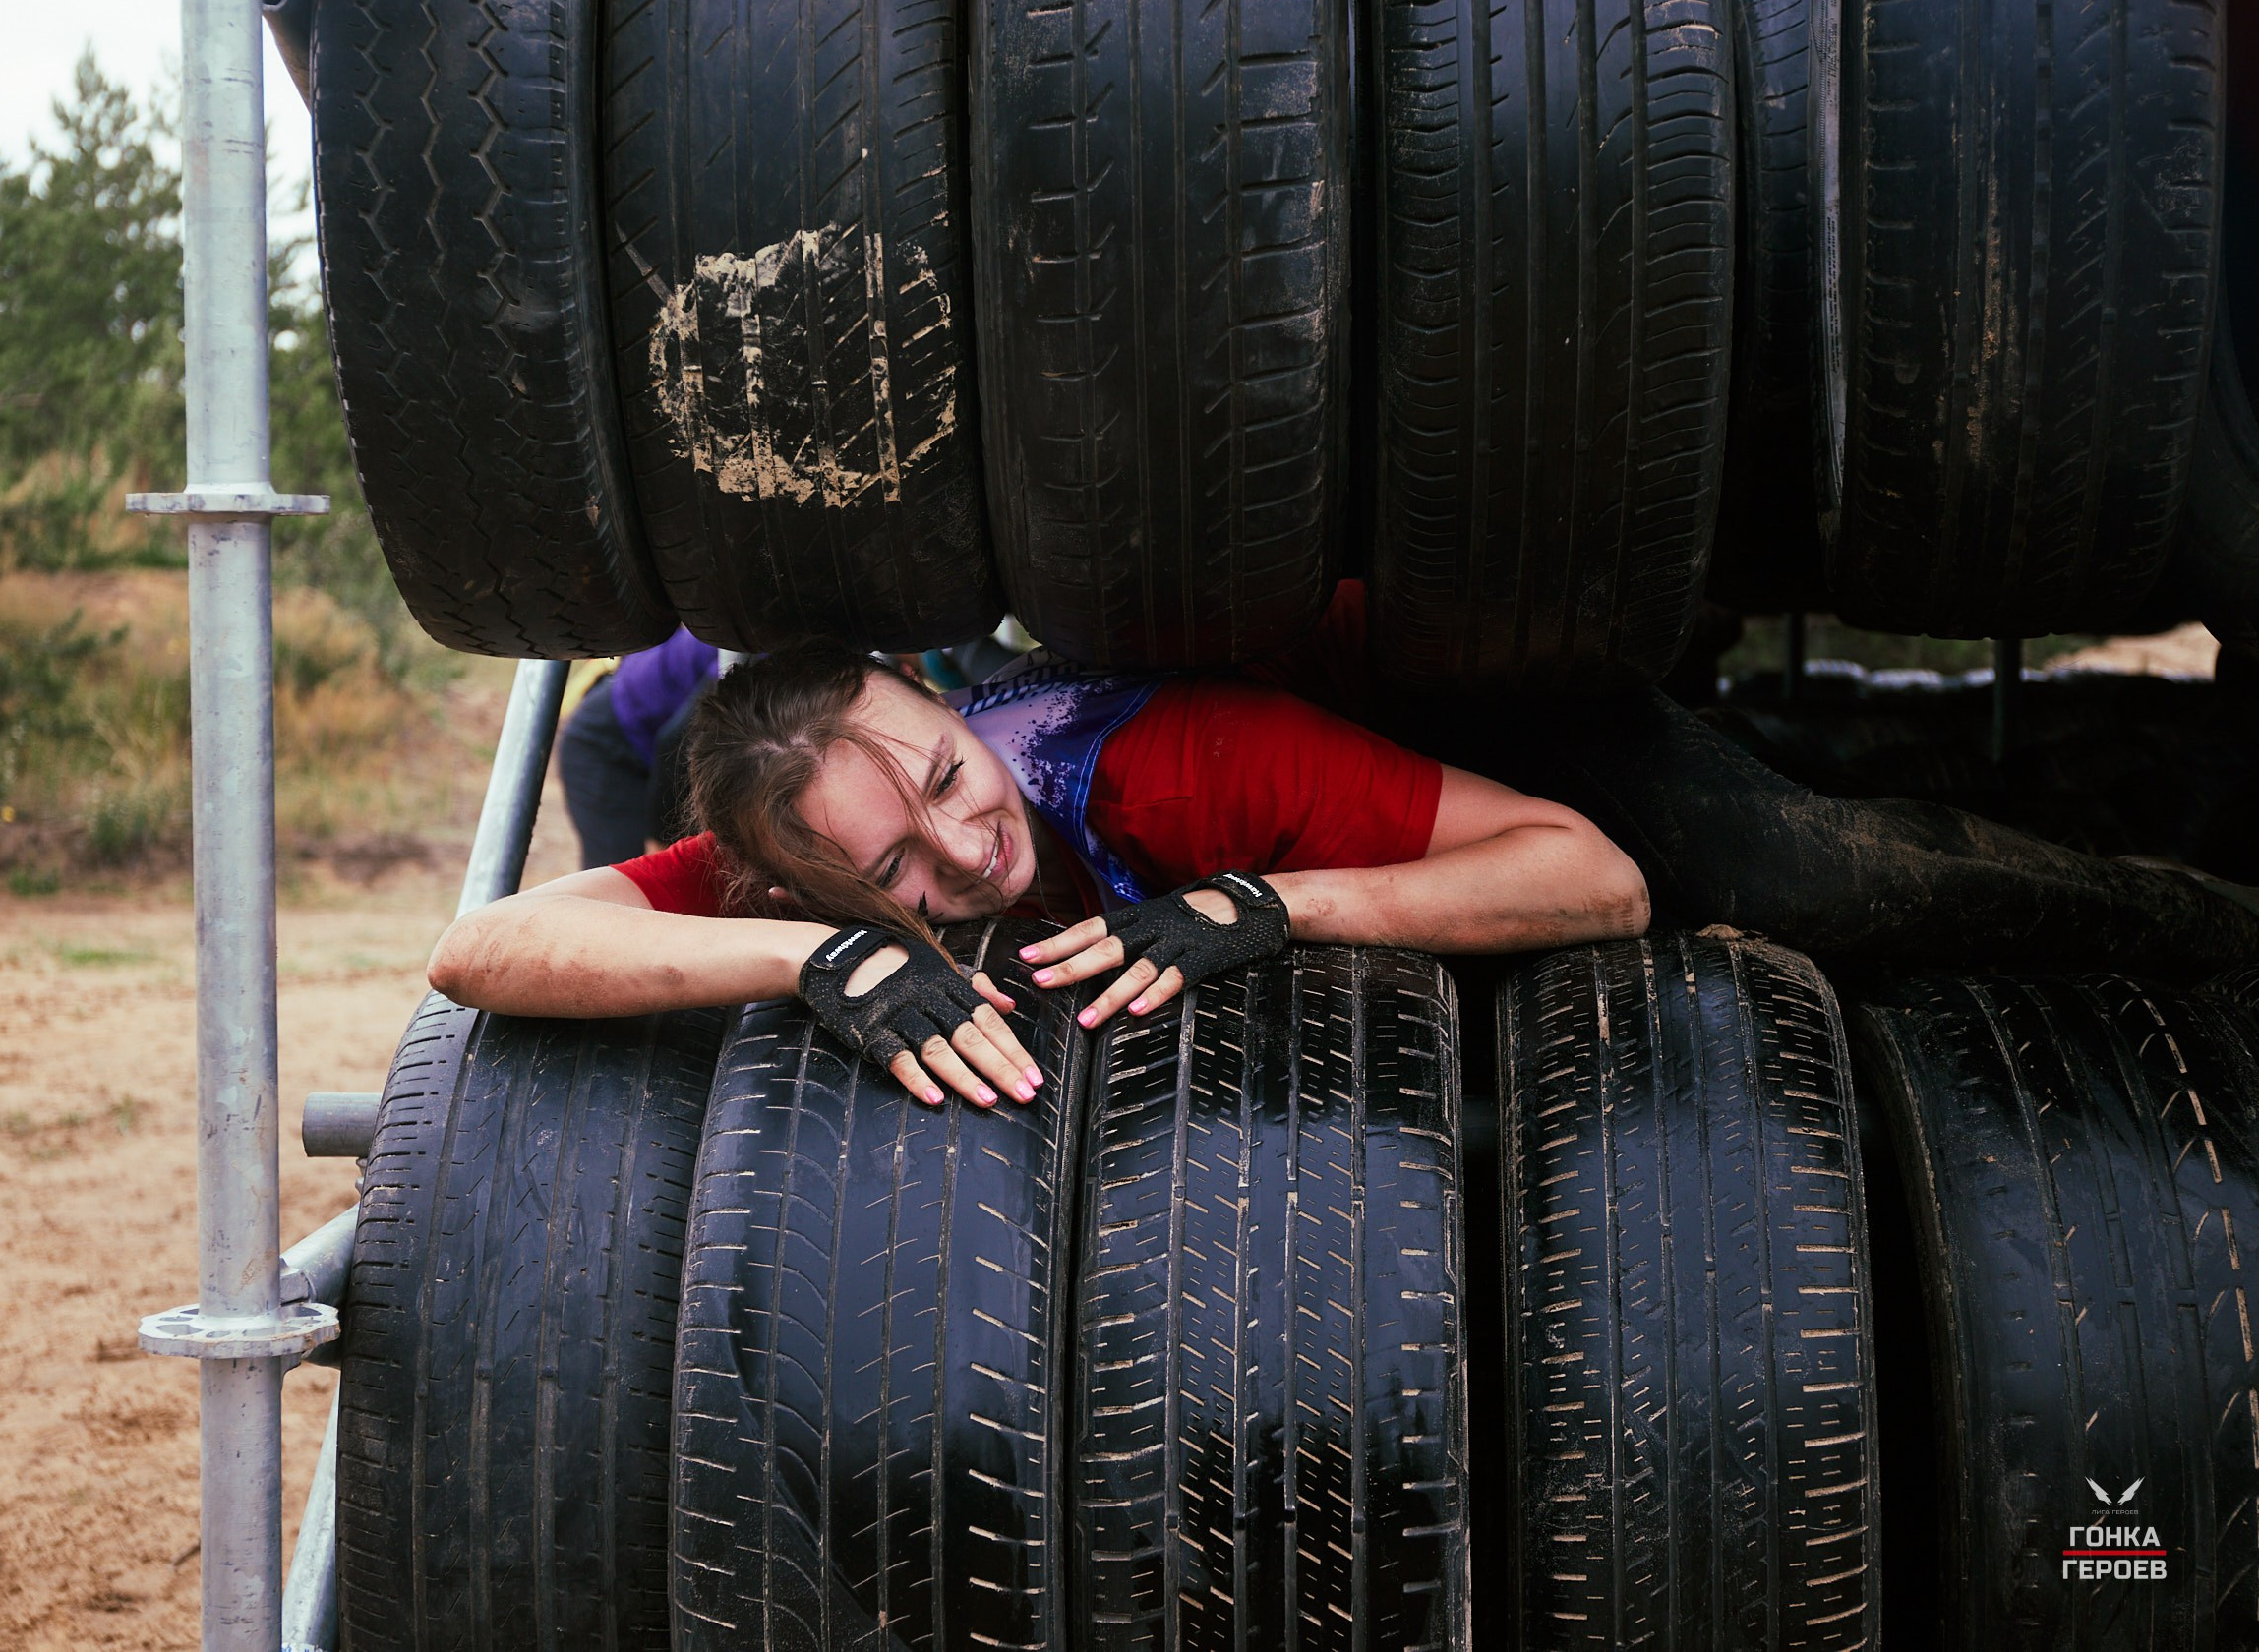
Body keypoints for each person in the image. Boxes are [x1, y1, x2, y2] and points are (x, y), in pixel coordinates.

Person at [435, 584, 2259, 1113]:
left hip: (1489, 701)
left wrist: (1275, 903)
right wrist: (811, 956)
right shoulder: (816, 855)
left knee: (1816, 872)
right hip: (1329, 726)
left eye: (937, 779)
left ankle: (2206, 913)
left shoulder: (1160, 771)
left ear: (942, 705)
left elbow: (1593, 876)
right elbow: (487, 949)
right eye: (888, 874)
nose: (955, 853)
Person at [554, 626, 717, 866]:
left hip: (656, 744)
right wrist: (660, 840)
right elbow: (679, 747)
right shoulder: (753, 649)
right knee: (621, 884)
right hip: (605, 747)